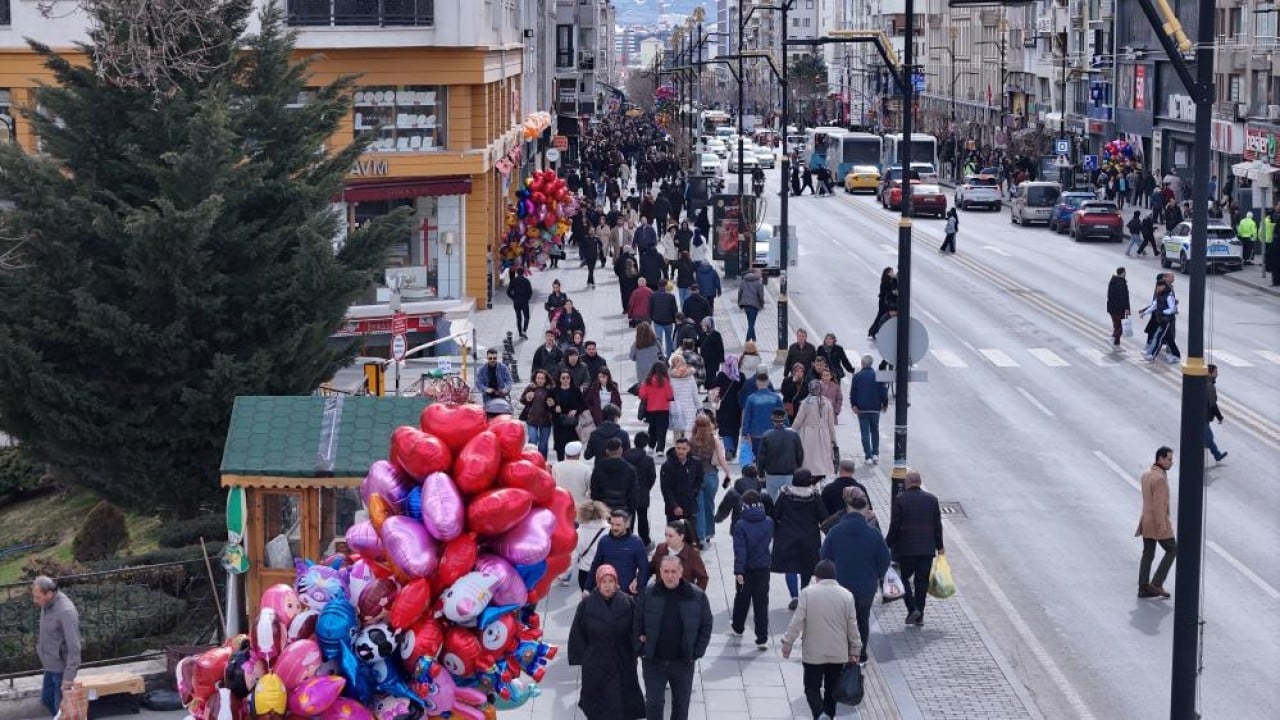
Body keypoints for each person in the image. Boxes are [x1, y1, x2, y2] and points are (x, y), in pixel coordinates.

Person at [634, 555, 713, 720]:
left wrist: (696, 652)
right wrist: (640, 648)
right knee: (653, 704)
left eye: (673, 571)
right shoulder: (648, 594)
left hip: (683, 663)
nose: (669, 576)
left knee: (681, 706)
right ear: (660, 572)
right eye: (666, 571)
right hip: (654, 662)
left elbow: (706, 624)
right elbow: (637, 622)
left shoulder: (696, 595)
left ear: (681, 572)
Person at [780, 560, 862, 720]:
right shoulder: (847, 595)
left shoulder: (807, 593)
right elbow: (853, 626)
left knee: (811, 688)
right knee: (832, 689)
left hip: (813, 653)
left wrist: (788, 642)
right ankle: (829, 716)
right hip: (838, 653)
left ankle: (819, 714)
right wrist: (855, 650)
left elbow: (797, 620)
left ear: (817, 577)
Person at [568, 564, 647, 720]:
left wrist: (639, 648)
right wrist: (582, 657)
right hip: (596, 660)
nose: (608, 586)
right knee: (598, 703)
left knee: (623, 701)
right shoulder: (586, 605)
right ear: (598, 583)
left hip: (622, 659)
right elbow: (578, 631)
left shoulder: (627, 602)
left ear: (616, 582)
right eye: (604, 582)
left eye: (611, 581)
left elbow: (636, 628)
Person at [821, 492, 890, 665]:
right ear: (865, 509)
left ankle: (842, 653)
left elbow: (823, 557)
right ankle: (860, 656)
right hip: (866, 586)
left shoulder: (835, 532)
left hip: (840, 585)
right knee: (862, 619)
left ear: (848, 509)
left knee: (841, 620)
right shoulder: (873, 533)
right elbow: (884, 560)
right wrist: (876, 575)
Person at [886, 470, 944, 626]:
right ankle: (920, 615)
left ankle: (912, 608)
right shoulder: (932, 500)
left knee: (903, 578)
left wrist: (887, 543)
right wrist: (940, 546)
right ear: (919, 482)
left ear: (907, 483)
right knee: (922, 582)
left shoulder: (901, 499)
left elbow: (895, 525)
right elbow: (937, 525)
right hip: (927, 549)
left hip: (907, 549)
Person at [772, 469, 828, 611]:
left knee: (790, 566)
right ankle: (804, 592)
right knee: (807, 566)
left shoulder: (785, 494)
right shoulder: (814, 496)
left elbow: (776, 513)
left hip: (788, 536)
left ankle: (794, 596)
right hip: (809, 536)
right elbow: (824, 517)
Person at [730, 489, 774, 650]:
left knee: (742, 599)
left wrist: (739, 571)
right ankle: (762, 637)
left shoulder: (740, 525)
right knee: (761, 603)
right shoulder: (768, 521)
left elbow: (740, 550)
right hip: (763, 568)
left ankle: (737, 627)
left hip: (747, 569)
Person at [33, 576, 80, 718]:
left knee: (60, 706)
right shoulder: (46, 604)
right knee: (46, 700)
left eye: (37, 597)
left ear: (49, 594)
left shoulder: (65, 611)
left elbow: (74, 646)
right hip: (50, 665)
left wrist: (69, 677)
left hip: (62, 669)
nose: (35, 601)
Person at [1136, 447, 1177, 599]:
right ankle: (1157, 583)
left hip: (1146, 520)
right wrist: (1162, 526)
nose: (1171, 463)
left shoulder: (1147, 474)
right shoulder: (1159, 479)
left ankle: (1143, 587)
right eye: (1169, 459)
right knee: (1173, 549)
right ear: (1160, 459)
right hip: (1156, 522)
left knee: (1148, 554)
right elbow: (1159, 506)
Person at [689, 415, 733, 545]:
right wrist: (728, 474)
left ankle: (700, 535)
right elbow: (721, 458)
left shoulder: (691, 440)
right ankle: (709, 532)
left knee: (698, 507)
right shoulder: (714, 440)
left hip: (696, 477)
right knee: (709, 505)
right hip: (711, 476)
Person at [588, 510, 651, 596]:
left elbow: (644, 568)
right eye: (612, 524)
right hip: (606, 593)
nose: (614, 528)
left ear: (627, 524)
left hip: (628, 593)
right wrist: (588, 588)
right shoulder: (604, 541)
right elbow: (596, 565)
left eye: (618, 525)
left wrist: (638, 583)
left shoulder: (636, 542)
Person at [660, 438, 704, 547]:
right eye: (678, 448)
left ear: (688, 449)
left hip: (690, 504)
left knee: (692, 535)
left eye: (684, 448)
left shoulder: (695, 463)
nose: (681, 451)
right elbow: (666, 489)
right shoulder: (667, 466)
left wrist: (694, 492)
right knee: (673, 535)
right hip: (673, 507)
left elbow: (700, 479)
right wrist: (674, 506)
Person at [792, 380, 836, 480]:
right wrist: (833, 439)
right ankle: (821, 479)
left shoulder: (806, 403)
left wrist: (792, 431)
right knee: (822, 457)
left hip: (808, 434)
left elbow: (798, 421)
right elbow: (831, 424)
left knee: (809, 458)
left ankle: (810, 478)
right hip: (824, 434)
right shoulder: (827, 403)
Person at [849, 355, 889, 464]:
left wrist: (854, 405)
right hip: (875, 409)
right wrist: (885, 404)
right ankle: (875, 453)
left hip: (862, 409)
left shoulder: (857, 376)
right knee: (875, 431)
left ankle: (868, 456)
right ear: (871, 364)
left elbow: (853, 393)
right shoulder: (878, 375)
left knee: (865, 433)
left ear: (862, 363)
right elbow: (883, 391)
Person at [649, 519, 709, 590]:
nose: (667, 539)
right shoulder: (661, 548)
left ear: (681, 537)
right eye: (666, 535)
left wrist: (694, 595)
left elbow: (703, 578)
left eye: (671, 536)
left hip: (683, 596)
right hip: (661, 594)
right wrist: (638, 579)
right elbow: (650, 568)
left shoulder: (692, 554)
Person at [758, 407, 803, 499]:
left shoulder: (766, 435)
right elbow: (800, 454)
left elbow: (761, 457)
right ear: (784, 419)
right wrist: (797, 469)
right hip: (789, 474)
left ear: (772, 420)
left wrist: (761, 474)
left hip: (772, 474)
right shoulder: (794, 435)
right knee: (789, 502)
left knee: (771, 502)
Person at [591, 438, 641, 519]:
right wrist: (631, 510)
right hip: (623, 510)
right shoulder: (630, 469)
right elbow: (633, 493)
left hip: (603, 510)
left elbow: (594, 491)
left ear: (607, 451)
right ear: (621, 450)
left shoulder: (599, 468)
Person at [571, 501, 612, 589]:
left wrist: (563, 575)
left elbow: (573, 556)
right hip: (606, 572)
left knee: (588, 601)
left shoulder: (579, 533)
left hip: (585, 573)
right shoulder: (610, 530)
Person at [639, 361, 675, 453]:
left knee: (652, 428)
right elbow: (669, 396)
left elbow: (642, 395)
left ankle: (651, 446)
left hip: (650, 409)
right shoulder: (665, 381)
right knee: (662, 430)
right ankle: (660, 449)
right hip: (663, 409)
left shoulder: (648, 381)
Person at [711, 356, 744, 458]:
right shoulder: (741, 376)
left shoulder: (721, 375)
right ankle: (733, 450)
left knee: (725, 429)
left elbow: (714, 387)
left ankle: (728, 448)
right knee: (735, 428)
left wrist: (717, 396)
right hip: (737, 407)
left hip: (724, 406)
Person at [519, 369, 556, 458]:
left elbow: (555, 404)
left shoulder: (550, 389)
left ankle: (543, 462)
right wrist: (527, 398)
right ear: (535, 378)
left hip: (546, 420)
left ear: (545, 380)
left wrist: (552, 404)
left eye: (542, 378)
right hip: (532, 419)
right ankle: (531, 460)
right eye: (538, 378)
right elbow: (522, 400)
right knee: (533, 439)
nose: (540, 380)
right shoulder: (530, 387)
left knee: (543, 444)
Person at [551, 369, 586, 461]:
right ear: (559, 379)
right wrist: (554, 408)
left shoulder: (576, 390)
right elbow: (548, 404)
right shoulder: (554, 391)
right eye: (563, 378)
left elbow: (583, 404)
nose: (566, 380)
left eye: (568, 378)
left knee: (573, 447)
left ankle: (574, 467)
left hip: (572, 424)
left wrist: (576, 411)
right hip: (559, 424)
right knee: (560, 449)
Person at [667, 354, 700, 442]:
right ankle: (687, 452)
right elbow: (695, 393)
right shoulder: (690, 376)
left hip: (676, 408)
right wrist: (699, 407)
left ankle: (677, 451)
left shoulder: (671, 378)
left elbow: (669, 394)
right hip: (689, 408)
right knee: (688, 433)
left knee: (677, 433)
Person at [474, 349, 513, 415]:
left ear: (497, 358)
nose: (492, 360)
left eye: (494, 358)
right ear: (487, 358)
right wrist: (485, 389)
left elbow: (509, 380)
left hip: (501, 396)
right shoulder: (482, 369)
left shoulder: (503, 367)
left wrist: (506, 389)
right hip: (488, 397)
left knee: (502, 415)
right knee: (489, 415)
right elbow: (478, 383)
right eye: (490, 358)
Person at [554, 441, 592, 506]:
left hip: (561, 503)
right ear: (579, 454)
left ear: (565, 454)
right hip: (580, 504)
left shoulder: (555, 467)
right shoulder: (586, 468)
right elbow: (590, 489)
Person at [1204, 365, 1228, 463]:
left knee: (1207, 437)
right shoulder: (1209, 385)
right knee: (1209, 437)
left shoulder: (1204, 382)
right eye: (1215, 372)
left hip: (1202, 415)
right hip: (1203, 416)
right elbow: (1212, 404)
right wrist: (1220, 417)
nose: (1217, 374)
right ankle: (1217, 455)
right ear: (1210, 373)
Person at [649, 281, 679, 354]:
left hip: (657, 320)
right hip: (668, 321)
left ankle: (660, 354)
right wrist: (676, 321)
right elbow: (675, 310)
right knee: (668, 339)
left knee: (659, 339)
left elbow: (650, 308)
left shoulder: (653, 295)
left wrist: (652, 318)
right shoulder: (671, 296)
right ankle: (668, 355)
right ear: (666, 286)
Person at [868, 267, 897, 340]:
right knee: (880, 317)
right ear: (887, 273)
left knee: (884, 317)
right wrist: (892, 292)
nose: (892, 273)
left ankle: (874, 331)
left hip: (889, 302)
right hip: (884, 302)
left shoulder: (892, 280)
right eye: (891, 272)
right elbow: (884, 292)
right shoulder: (884, 282)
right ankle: (873, 331)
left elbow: (896, 286)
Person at [737, 269, 766, 342]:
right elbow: (761, 295)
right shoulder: (759, 283)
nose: (761, 275)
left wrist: (739, 302)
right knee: (751, 324)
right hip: (754, 305)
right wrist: (762, 304)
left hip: (746, 305)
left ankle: (754, 339)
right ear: (757, 274)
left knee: (750, 323)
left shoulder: (744, 281)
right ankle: (747, 341)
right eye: (760, 273)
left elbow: (740, 292)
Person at [629, 322, 662, 387]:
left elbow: (632, 357)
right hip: (656, 370)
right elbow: (661, 352)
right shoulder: (656, 342)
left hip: (642, 373)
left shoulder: (636, 345)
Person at [506, 267, 533, 339]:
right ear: (523, 272)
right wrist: (527, 298)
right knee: (526, 317)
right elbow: (530, 292)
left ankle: (520, 333)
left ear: (517, 273)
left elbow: (508, 292)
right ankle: (524, 330)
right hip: (524, 301)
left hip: (517, 301)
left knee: (519, 318)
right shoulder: (526, 281)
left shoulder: (513, 281)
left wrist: (513, 298)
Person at [1107, 267, 1131, 348]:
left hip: (1111, 307)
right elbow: (1123, 298)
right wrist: (1127, 309)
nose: (1126, 274)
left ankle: (1117, 343)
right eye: (1125, 272)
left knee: (1116, 326)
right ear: (1123, 273)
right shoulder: (1121, 284)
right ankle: (1112, 338)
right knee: (1120, 327)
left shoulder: (1113, 281)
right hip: (1118, 309)